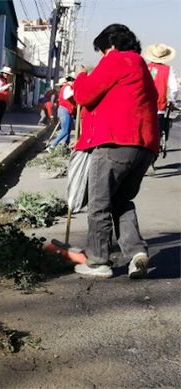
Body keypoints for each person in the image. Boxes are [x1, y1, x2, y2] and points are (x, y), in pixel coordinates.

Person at [72, 24, 159, 279]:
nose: (101, 57)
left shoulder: (116, 59)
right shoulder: (140, 66)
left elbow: (85, 96)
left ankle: (98, 261)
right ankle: (135, 254)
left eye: (101, 51)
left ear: (109, 46)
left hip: (115, 143)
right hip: (143, 148)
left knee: (100, 204)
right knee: (121, 201)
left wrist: (80, 76)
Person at [144, 43, 178, 144]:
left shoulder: (144, 67)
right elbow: (175, 88)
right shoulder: (168, 70)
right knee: (158, 129)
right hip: (159, 106)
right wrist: (172, 100)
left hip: (144, 105)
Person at [48, 75, 76, 151]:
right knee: (65, 131)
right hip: (64, 110)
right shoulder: (67, 87)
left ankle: (65, 148)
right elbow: (67, 96)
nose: (60, 87)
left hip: (65, 111)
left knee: (68, 130)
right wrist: (76, 90)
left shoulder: (65, 88)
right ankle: (52, 146)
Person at [0, 66, 14, 134]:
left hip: (4, 99)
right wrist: (7, 86)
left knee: (1, 114)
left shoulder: (4, 80)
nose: (7, 75)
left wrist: (9, 88)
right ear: (2, 73)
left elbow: (5, 89)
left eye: (8, 74)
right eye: (6, 74)